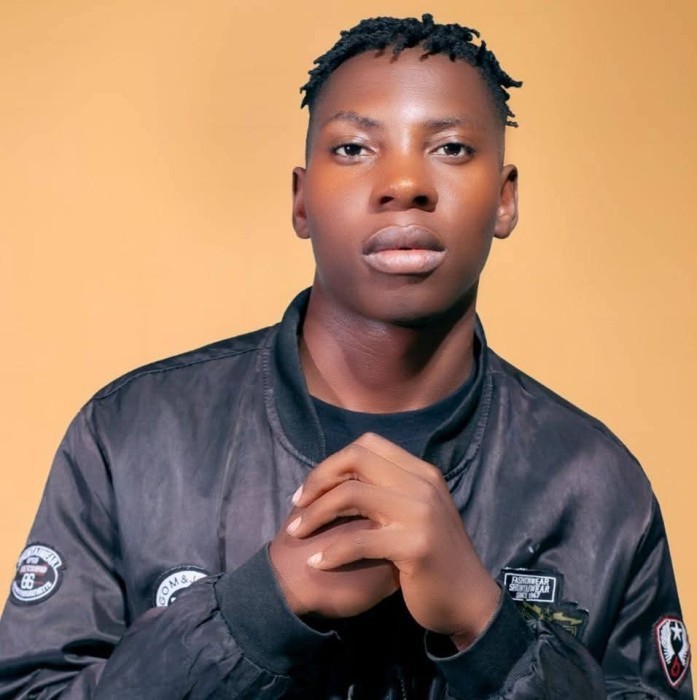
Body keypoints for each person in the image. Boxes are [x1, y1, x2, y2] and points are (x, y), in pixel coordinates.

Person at [0, 13, 691, 699]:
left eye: (450, 148)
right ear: (301, 201)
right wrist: (259, 608)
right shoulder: (132, 435)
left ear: (504, 200)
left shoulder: (596, 485)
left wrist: (490, 633)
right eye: (355, 148)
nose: (404, 183)